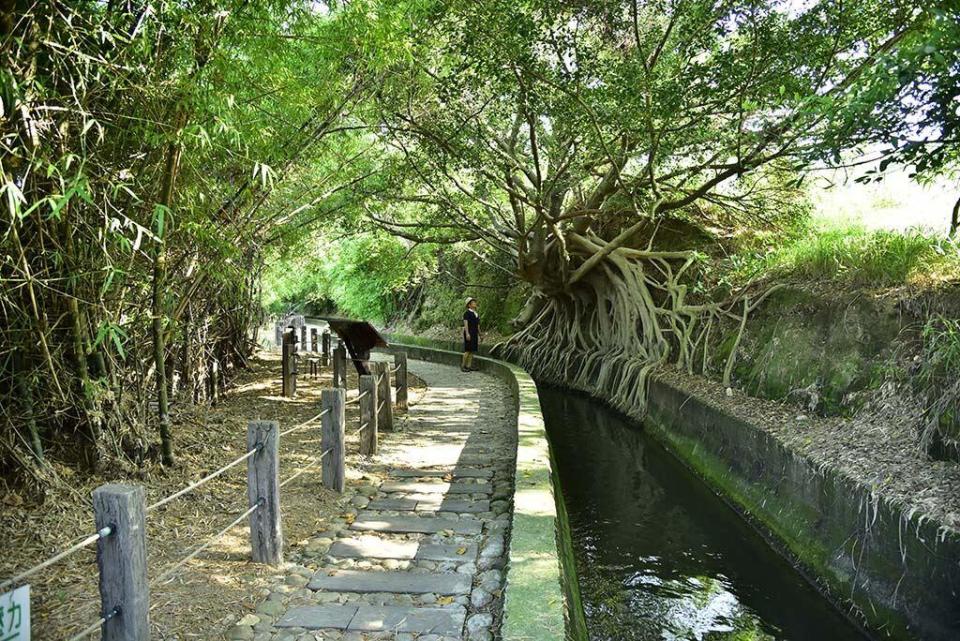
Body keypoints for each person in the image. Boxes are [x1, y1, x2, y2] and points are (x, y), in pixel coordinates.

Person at [462, 297, 480, 372]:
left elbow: (478, 325)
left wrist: (480, 334)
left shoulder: (476, 314)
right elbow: (465, 324)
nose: (475, 304)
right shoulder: (467, 313)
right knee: (467, 350)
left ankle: (469, 366)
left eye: (474, 302)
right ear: (469, 305)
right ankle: (463, 366)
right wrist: (467, 333)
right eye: (473, 303)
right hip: (469, 332)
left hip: (474, 333)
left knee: (472, 350)